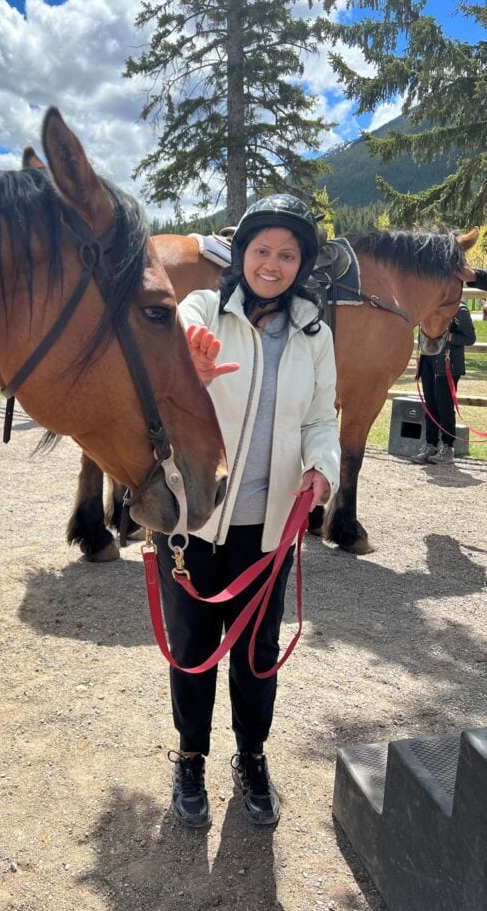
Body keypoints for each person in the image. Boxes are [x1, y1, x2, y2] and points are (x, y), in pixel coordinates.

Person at [155, 194, 340, 830]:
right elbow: (165, 381)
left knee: (257, 651)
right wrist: (191, 376)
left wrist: (322, 467)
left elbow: (321, 417)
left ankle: (251, 756)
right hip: (192, 520)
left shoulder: (315, 333)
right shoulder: (204, 309)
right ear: (243, 254)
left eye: (288, 254)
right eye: (262, 249)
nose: (273, 263)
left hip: (269, 525)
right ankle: (190, 756)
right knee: (192, 646)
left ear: (302, 263)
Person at [412, 299, 476, 465]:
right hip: (428, 361)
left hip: (448, 363)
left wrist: (450, 336)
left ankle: (447, 447)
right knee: (430, 406)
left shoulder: (459, 309)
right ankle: (431, 444)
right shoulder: (428, 306)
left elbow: (470, 337)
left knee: (444, 406)